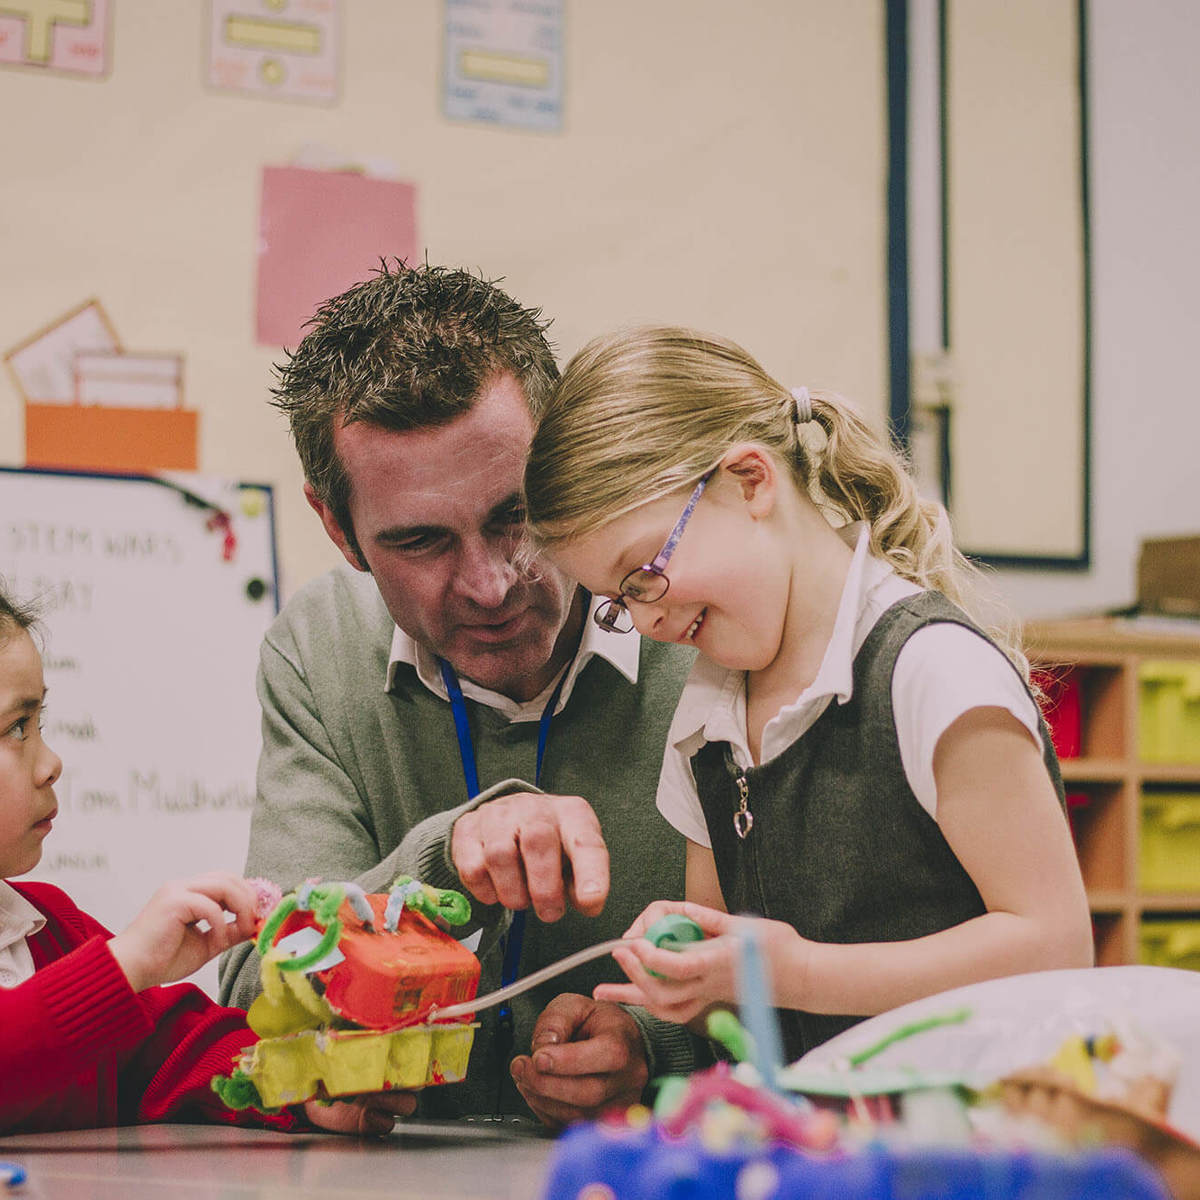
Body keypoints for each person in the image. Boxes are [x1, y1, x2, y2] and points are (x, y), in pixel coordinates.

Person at [522, 325, 1095, 1062]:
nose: (645, 620)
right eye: (615, 603)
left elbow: (1055, 946)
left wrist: (796, 973)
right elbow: (731, 985)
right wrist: (683, 981)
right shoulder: (706, 714)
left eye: (643, 575)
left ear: (751, 480)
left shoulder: (933, 671)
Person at [218, 264, 702, 1124]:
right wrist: (445, 857)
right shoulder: (320, 650)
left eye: (515, 514)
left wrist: (660, 1051)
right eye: (421, 541)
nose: (489, 585)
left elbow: (834, 972)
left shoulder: (701, 620)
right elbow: (259, 981)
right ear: (338, 527)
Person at [0, 586, 414, 1135]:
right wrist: (123, 968)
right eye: (14, 728)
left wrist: (299, 1082)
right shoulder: (88, 964)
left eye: (39, 723)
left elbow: (174, 1051)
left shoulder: (48, 927)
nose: (51, 763)